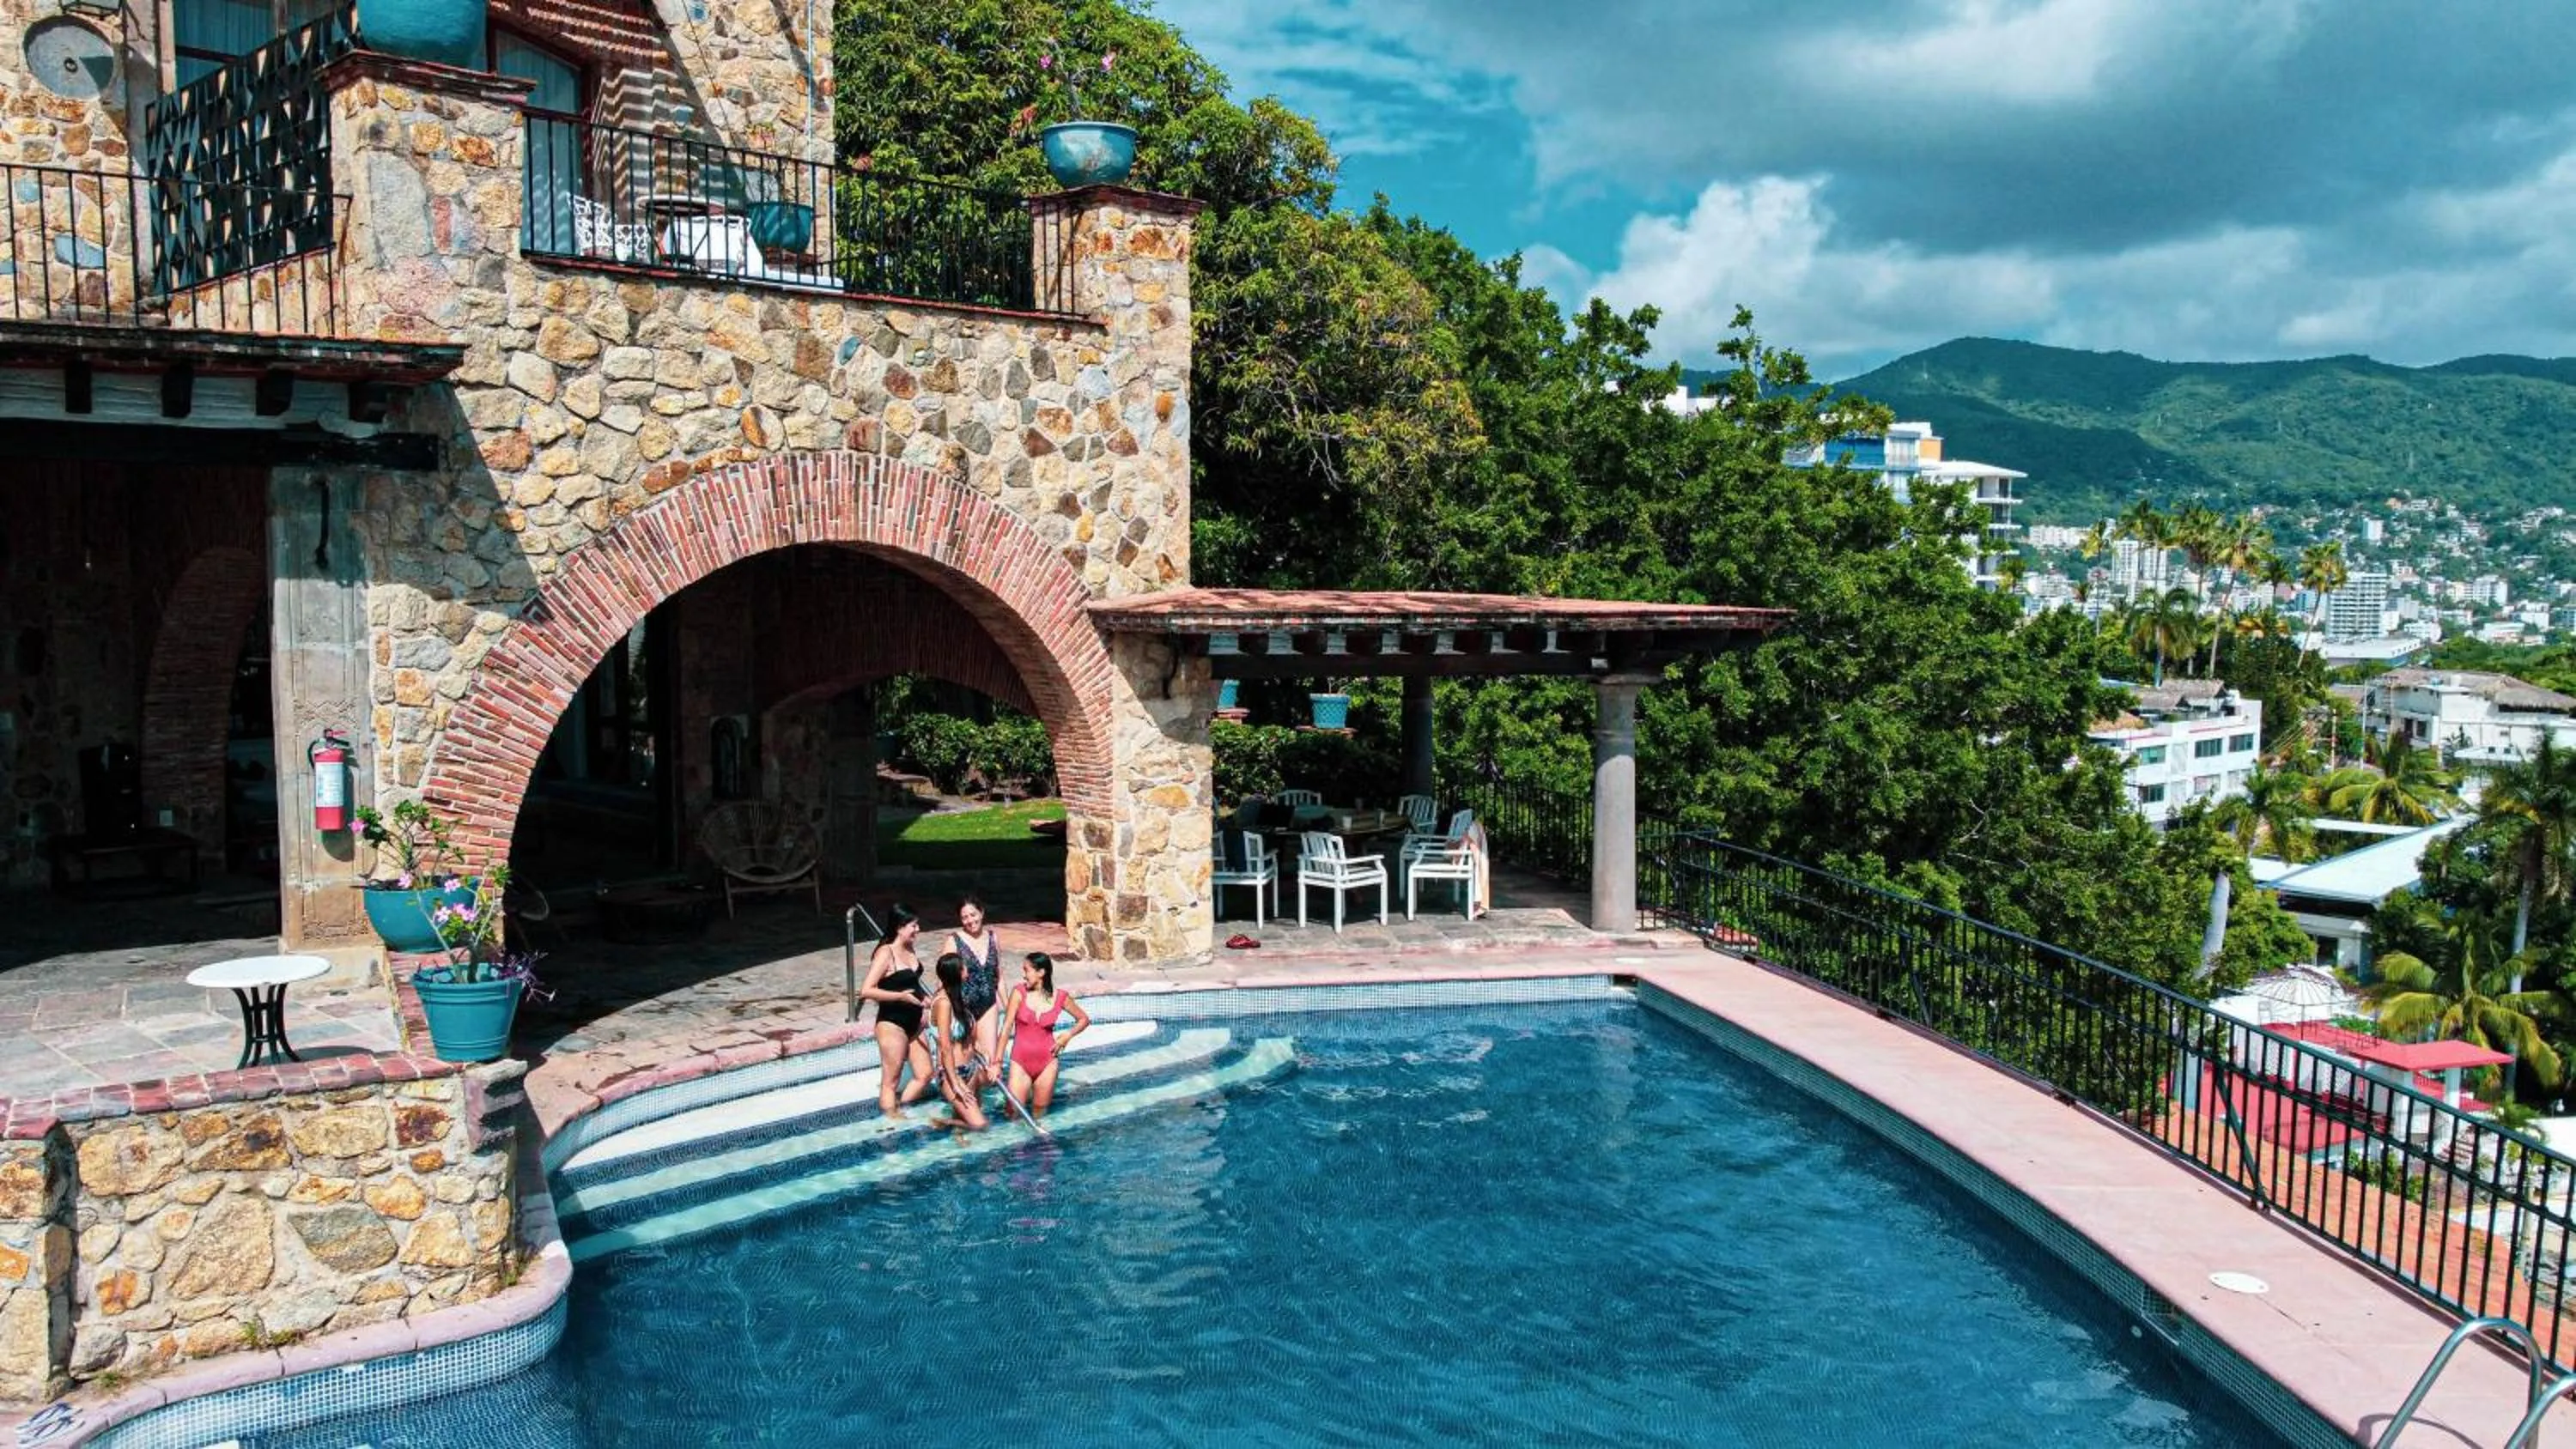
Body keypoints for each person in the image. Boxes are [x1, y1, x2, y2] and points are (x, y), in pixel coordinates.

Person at [859, 905, 934, 1118]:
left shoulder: (910, 948)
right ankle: (890, 1125)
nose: (918, 929)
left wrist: (924, 1000)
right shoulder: (885, 953)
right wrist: (900, 997)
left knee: (925, 1074)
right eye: (914, 925)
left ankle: (900, 1109)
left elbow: (911, 981)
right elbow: (866, 990)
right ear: (900, 927)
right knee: (891, 1081)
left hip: (915, 1023)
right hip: (892, 1023)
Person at [1001, 952, 1089, 1119]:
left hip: (1047, 1064)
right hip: (1020, 1063)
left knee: (1039, 1115)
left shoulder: (1061, 997)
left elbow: (1083, 1019)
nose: (1023, 974)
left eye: (1026, 970)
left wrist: (1067, 1035)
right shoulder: (1019, 992)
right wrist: (997, 1062)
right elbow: (1006, 1027)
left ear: (1041, 973)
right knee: (1012, 1113)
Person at [925, 953, 989, 1131]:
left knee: (966, 1117)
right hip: (952, 1072)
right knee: (980, 1125)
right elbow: (945, 1047)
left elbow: (966, 1035)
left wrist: (980, 1048)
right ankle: (944, 1123)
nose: (967, 970)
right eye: (964, 967)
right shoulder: (944, 1003)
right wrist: (954, 1083)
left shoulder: (956, 995)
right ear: (957, 973)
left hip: (971, 1068)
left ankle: (956, 1132)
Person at [949, 896, 1005, 1083]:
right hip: (964, 1007)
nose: (970, 920)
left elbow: (999, 974)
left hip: (988, 1004)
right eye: (964, 917)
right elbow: (946, 976)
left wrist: (1006, 1005)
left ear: (982, 913)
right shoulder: (954, 940)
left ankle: (983, 1099)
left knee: (989, 1061)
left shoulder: (992, 937)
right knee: (967, 1058)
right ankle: (969, 1096)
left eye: (973, 915)